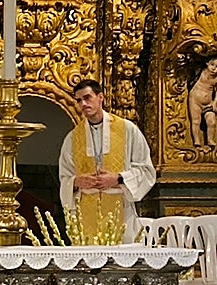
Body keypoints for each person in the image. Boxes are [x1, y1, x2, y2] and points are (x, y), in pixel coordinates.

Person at [57, 79, 156, 242]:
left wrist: (118, 179)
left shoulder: (127, 129)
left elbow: (146, 170)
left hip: (119, 208)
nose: (83, 104)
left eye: (87, 97)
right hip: (86, 212)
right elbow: (65, 177)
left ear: (100, 97)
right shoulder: (73, 137)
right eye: (79, 100)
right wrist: (76, 182)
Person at [188, 56, 217, 147]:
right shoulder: (200, 72)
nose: (214, 68)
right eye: (212, 65)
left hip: (208, 103)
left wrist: (215, 102)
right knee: (196, 121)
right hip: (195, 101)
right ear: (207, 63)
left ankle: (210, 140)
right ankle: (197, 140)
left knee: (211, 121)